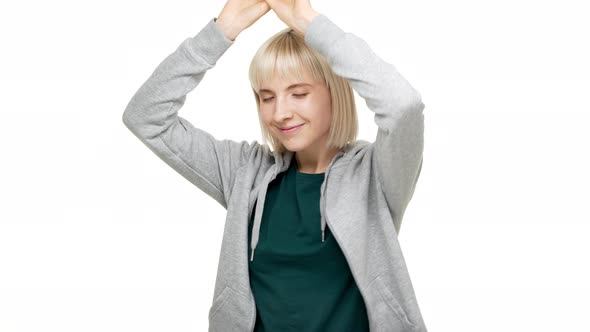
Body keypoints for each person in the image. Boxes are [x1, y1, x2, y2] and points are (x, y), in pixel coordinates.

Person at [122, 0, 427, 331]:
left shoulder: (375, 174)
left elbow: (403, 105)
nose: (280, 113)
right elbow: (146, 117)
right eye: (267, 97)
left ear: (334, 92)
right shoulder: (244, 172)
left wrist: (310, 23)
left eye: (298, 94)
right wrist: (221, 31)